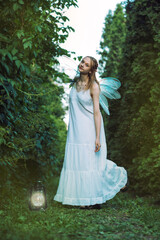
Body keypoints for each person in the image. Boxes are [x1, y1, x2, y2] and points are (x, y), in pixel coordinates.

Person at [54, 56, 128, 209]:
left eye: (86, 64)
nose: (82, 65)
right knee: (79, 163)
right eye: (82, 62)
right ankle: (83, 198)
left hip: (89, 130)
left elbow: (96, 112)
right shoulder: (74, 85)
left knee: (91, 164)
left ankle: (101, 191)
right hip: (75, 131)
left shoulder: (94, 86)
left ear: (91, 70)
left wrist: (97, 137)